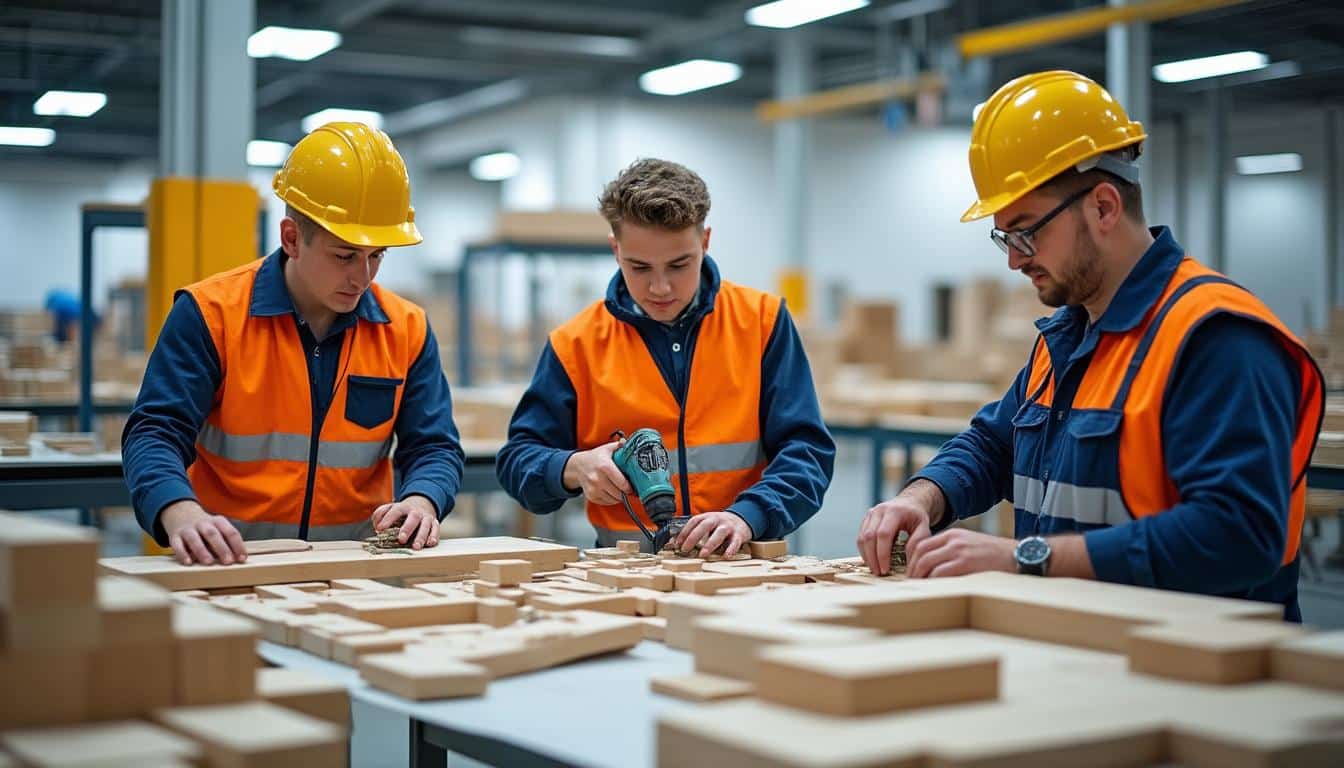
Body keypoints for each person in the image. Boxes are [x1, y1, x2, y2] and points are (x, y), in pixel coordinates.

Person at [855, 71, 1323, 621]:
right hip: (1091, 654)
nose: (1014, 259)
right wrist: (920, 498)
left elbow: (1239, 533)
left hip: (1197, 673)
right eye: (1004, 237)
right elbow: (994, 445)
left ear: (1102, 207)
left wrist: (1025, 558)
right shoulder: (1069, 335)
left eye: (1027, 232)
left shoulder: (1216, 336)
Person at [123, 122, 465, 565]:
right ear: (291, 239)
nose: (363, 277)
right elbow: (155, 432)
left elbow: (434, 446)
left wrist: (423, 499)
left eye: (377, 255)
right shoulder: (212, 315)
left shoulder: (406, 328)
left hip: (354, 574)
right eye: (344, 256)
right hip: (228, 568)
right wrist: (178, 510)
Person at [497, 158, 835, 555]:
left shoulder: (762, 323)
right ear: (615, 249)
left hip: (744, 567)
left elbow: (807, 452)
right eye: (639, 267)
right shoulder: (576, 344)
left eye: (679, 264)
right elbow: (518, 460)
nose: (660, 287)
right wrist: (572, 469)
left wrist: (748, 516)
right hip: (625, 578)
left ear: (705, 241)